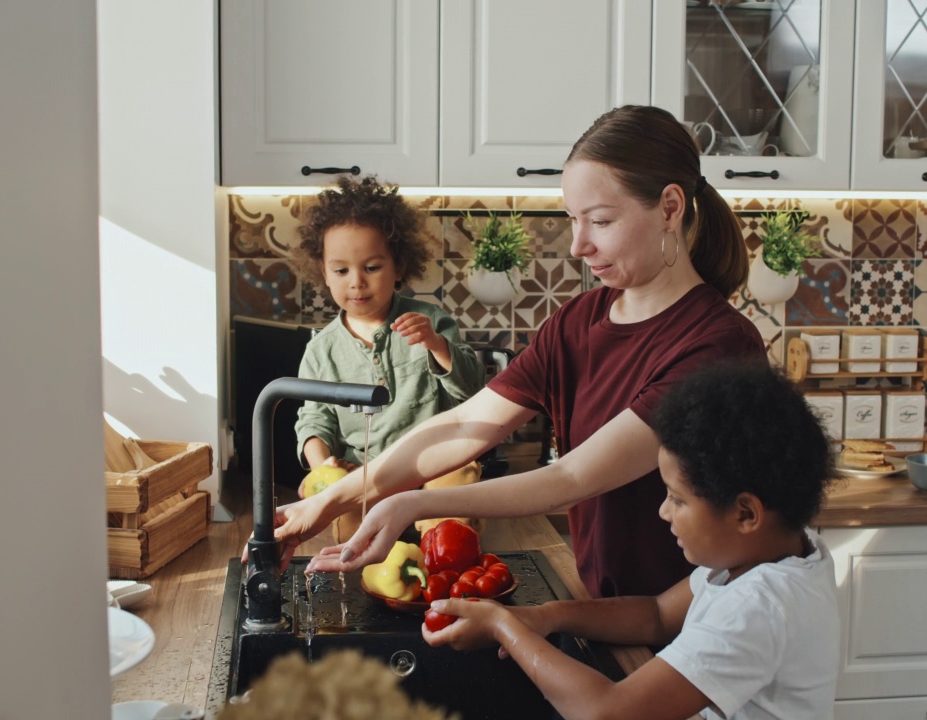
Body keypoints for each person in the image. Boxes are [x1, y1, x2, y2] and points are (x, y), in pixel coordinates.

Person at [278, 104, 765, 598]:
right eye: (573, 219)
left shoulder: (718, 346)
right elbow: (465, 425)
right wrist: (333, 497)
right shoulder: (579, 321)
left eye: (599, 221)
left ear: (669, 207)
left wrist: (412, 505)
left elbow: (573, 477)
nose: (578, 245)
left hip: (704, 626)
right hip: (615, 610)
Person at [423, 361, 839, 720]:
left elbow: (606, 711)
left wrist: (504, 627)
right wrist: (547, 615)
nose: (664, 511)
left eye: (678, 499)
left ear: (745, 514)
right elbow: (655, 615)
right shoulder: (771, 554)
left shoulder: (759, 606)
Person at [289, 175, 485, 541]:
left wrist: (436, 344)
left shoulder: (432, 321)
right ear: (324, 273)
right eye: (341, 270)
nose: (356, 282)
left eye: (372, 267)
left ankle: (444, 552)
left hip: (435, 461)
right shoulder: (320, 351)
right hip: (367, 474)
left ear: (398, 265)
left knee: (454, 497)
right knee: (352, 538)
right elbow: (314, 420)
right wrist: (322, 466)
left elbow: (472, 392)